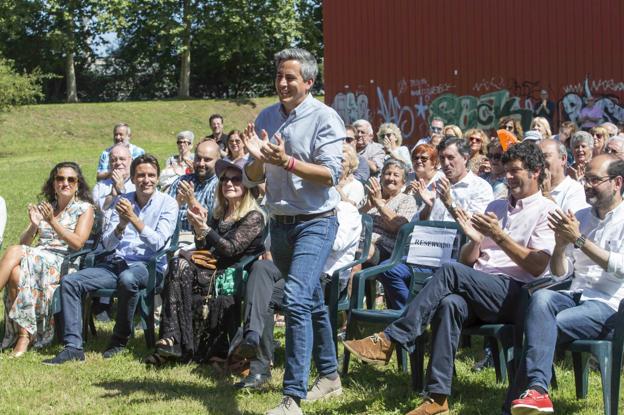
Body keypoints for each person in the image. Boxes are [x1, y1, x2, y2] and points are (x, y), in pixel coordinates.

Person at [343, 141, 558, 415]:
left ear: (536, 171)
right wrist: (474, 240)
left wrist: (500, 236)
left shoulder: (545, 210)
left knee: (450, 270)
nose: (509, 177)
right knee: (449, 304)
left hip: (516, 293)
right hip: (483, 287)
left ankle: (392, 338)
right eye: (506, 171)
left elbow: (538, 265)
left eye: (515, 171)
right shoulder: (497, 205)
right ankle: (438, 398)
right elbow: (469, 260)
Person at [240, 47, 344, 415]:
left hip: (316, 222)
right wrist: (255, 159)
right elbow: (251, 178)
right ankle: (330, 376)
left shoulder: (325, 118)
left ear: (309, 82)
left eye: (290, 77)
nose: (282, 83)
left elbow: (333, 173)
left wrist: (287, 160)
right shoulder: (267, 115)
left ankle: (292, 398)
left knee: (297, 300)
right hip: (280, 225)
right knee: (312, 301)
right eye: (279, 76)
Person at [507, 155, 624, 415]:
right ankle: (537, 391)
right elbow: (561, 275)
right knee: (541, 299)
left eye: (595, 180)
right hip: (576, 295)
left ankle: (521, 401)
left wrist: (580, 240)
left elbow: (621, 268)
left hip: (610, 306)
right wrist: (560, 246)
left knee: (542, 326)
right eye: (586, 179)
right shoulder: (581, 216)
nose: (587, 185)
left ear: (617, 182)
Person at [43, 155, 178, 365]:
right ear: (132, 178)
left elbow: (158, 244)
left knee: (128, 279)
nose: (146, 180)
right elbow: (107, 244)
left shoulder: (168, 203)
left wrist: (134, 219)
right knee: (71, 281)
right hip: (116, 264)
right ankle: (73, 347)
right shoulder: (122, 201)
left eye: (151, 175)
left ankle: (119, 339)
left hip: (149, 268)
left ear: (158, 178)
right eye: (141, 175)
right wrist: (121, 226)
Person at [147, 160, 270, 365]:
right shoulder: (219, 213)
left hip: (233, 272)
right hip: (211, 267)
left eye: (236, 179)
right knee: (178, 264)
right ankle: (172, 339)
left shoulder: (254, 216)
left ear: (247, 185)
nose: (228, 183)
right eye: (224, 179)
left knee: (181, 267)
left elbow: (231, 249)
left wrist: (206, 230)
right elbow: (204, 248)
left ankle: (176, 342)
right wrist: (198, 229)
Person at [0, 162, 94, 355]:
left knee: (14, 251)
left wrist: (52, 221)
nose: (65, 183)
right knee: (15, 273)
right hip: (37, 258)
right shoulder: (48, 207)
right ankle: (24, 337)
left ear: (78, 185)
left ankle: (25, 337)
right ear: (53, 184)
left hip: (63, 262)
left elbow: (78, 243)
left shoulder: (85, 209)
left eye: (71, 179)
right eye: (60, 179)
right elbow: (25, 243)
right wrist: (35, 225)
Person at [419, 137, 494, 223]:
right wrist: (428, 207)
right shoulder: (435, 185)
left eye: (451, 157)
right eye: (442, 158)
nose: (446, 163)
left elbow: (475, 225)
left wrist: (449, 202)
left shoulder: (481, 187)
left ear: (465, 158)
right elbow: (418, 222)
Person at [363, 159, 417, 267]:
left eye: (396, 175)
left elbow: (398, 227)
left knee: (361, 248)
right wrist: (367, 206)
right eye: (387, 174)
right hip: (361, 240)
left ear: (403, 181)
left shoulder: (407, 200)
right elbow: (353, 218)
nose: (391, 178)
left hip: (386, 248)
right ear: (381, 177)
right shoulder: (370, 196)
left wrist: (379, 205)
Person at [168, 140, 221, 242]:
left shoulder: (220, 186)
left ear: (218, 161)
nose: (201, 163)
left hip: (199, 241)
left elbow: (211, 223)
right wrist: (177, 203)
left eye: (207, 160)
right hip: (172, 236)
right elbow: (164, 214)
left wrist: (191, 200)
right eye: (198, 158)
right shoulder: (182, 181)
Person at [539, 139, 589, 214]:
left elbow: (568, 223)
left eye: (545, 156)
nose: (540, 161)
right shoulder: (532, 187)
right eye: (537, 157)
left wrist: (546, 194)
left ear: (563, 159)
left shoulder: (574, 189)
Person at [92, 144, 136, 224]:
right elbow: (96, 212)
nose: (118, 163)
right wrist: (112, 196)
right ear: (109, 164)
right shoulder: (100, 186)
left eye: (122, 159)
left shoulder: (137, 185)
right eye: (113, 160)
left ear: (131, 161)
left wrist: (122, 190)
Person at [405, 143, 444, 211]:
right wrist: (405, 193)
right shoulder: (406, 178)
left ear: (433, 163)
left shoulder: (442, 179)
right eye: (415, 158)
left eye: (424, 158)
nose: (418, 161)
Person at [336, 143, 366, 208]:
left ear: (351, 164)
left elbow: (352, 207)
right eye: (336, 160)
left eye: (342, 161)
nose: (338, 163)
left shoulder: (356, 185)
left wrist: (337, 188)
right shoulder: (327, 181)